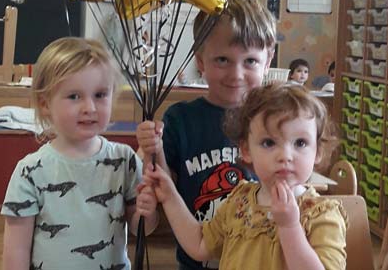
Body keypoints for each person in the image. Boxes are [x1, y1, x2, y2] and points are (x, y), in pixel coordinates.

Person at [136, 0, 276, 269]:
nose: (236, 74)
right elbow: (167, 186)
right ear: (200, 61)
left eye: (250, 61)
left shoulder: (273, 118)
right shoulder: (181, 119)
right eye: (222, 60)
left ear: (267, 60)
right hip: (195, 258)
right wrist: (155, 149)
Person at [140, 84, 347, 270]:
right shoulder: (240, 201)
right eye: (269, 143)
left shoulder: (322, 215)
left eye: (300, 143)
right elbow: (200, 244)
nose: (285, 156)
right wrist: (169, 195)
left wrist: (290, 227)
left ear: (318, 151)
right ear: (246, 150)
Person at [1, 37, 158, 270]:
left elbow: (142, 227)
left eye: (100, 95)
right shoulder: (29, 171)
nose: (90, 108)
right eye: (74, 96)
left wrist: (149, 210)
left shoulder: (125, 160)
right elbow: (16, 250)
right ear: (45, 104)